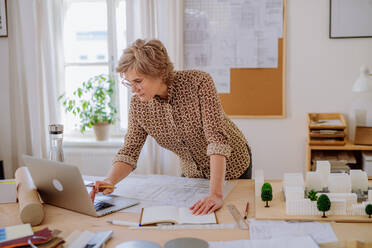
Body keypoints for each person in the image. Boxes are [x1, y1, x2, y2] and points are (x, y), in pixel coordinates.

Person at [90, 39, 252, 215]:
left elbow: (217, 140)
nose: (133, 89)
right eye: (129, 83)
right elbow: (130, 150)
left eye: (138, 81)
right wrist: (109, 181)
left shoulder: (198, 83)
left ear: (159, 72)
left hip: (232, 166)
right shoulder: (138, 105)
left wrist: (215, 194)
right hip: (192, 174)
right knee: (194, 220)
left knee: (230, 218)